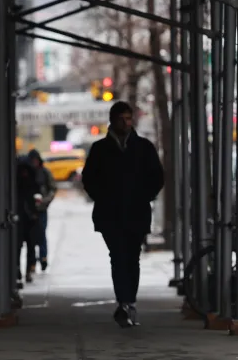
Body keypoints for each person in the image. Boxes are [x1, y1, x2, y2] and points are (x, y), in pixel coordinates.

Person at [80, 101, 165, 328]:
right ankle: (124, 301)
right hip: (111, 214)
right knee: (118, 257)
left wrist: (143, 196)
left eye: (129, 119)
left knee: (132, 258)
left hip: (136, 212)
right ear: (113, 120)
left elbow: (157, 177)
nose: (126, 123)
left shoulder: (144, 147)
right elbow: (88, 179)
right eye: (122, 119)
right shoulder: (100, 149)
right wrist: (104, 196)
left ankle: (128, 302)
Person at [26, 149, 57, 271]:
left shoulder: (44, 173)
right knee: (30, 236)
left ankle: (43, 258)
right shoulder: (27, 173)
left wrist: (44, 201)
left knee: (42, 233)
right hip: (28, 209)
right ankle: (32, 261)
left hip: (41, 209)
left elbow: (52, 189)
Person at [15, 153, 42, 284]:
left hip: (27, 218)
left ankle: (24, 271)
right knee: (23, 247)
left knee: (27, 247)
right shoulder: (27, 184)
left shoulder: (27, 184)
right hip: (26, 218)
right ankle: (21, 271)